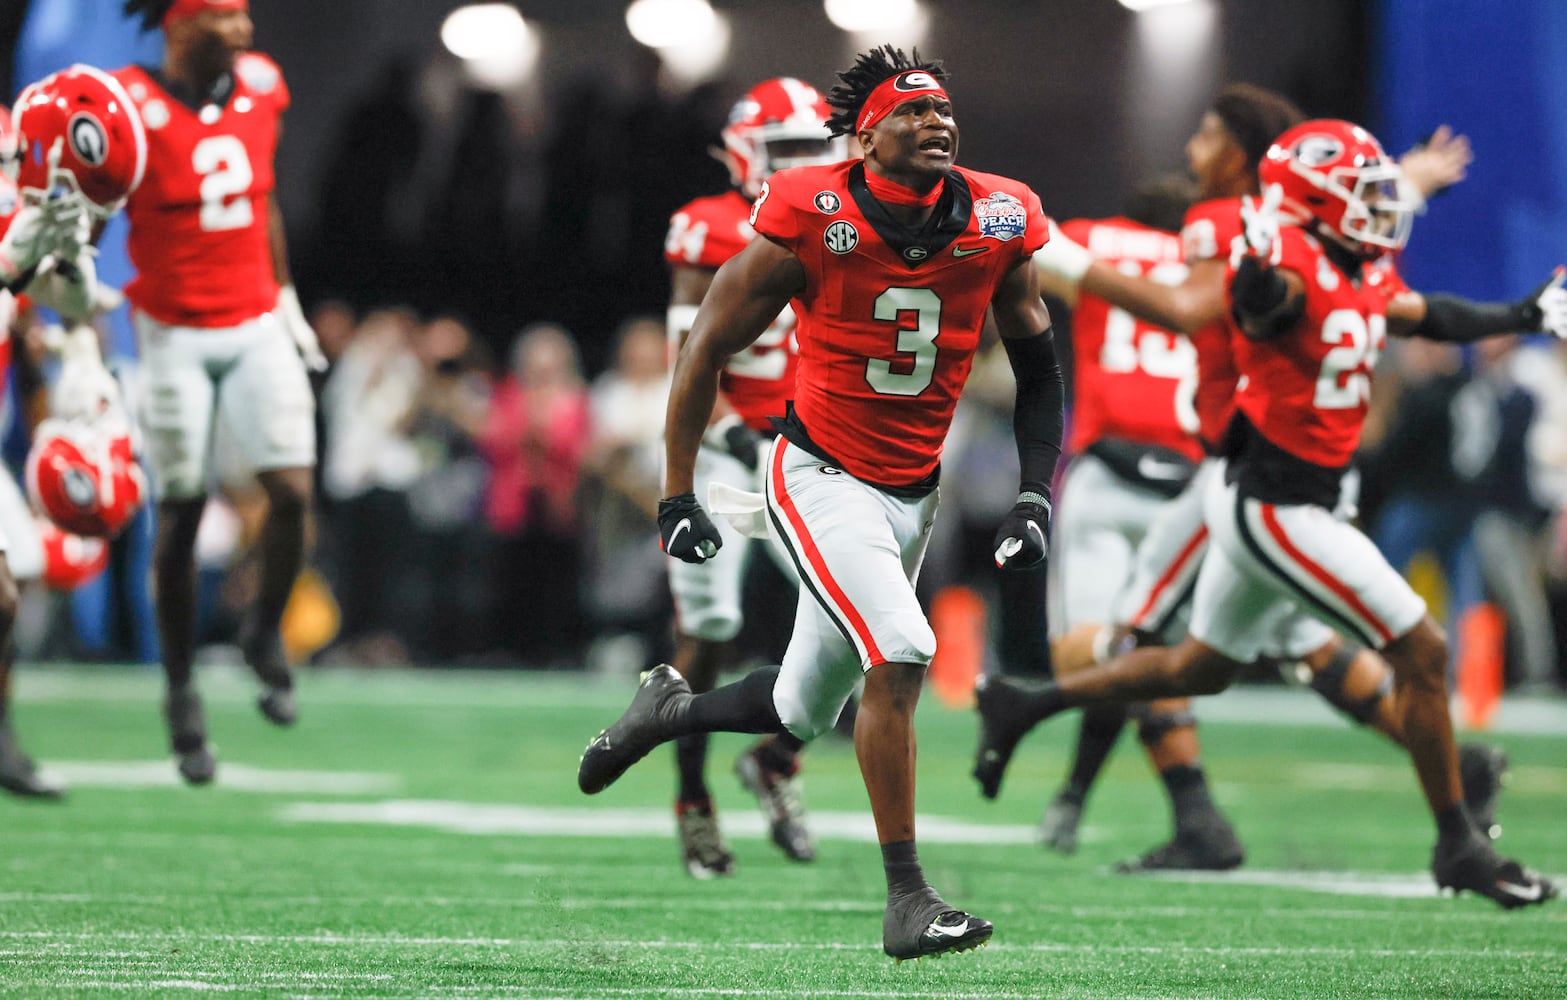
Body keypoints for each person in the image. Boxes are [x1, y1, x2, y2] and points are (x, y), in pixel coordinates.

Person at [981, 119, 1560, 908]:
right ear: (1317, 205)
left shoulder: (1348, 261)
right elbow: (1257, 303)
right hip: (1276, 505)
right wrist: (1251, 283)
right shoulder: (1284, 262)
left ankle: (1027, 704)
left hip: (1278, 494)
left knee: (1196, 668)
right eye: (1363, 196)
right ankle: (1456, 843)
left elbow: (1431, 314)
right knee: (1420, 652)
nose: (1379, 211)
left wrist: (1520, 314)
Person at [578, 44, 1063, 960]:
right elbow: (704, 348)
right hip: (817, 472)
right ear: (865, 133)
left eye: (942, 110)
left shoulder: (1000, 217)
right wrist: (676, 487)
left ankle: (664, 713)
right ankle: (908, 898)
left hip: (913, 492)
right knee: (905, 647)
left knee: (800, 705)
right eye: (911, 112)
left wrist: (1036, 492)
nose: (936, 123)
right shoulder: (812, 212)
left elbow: (1039, 370)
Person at [114, 0, 327, 784]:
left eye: (242, 16)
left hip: (254, 315)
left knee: (294, 491)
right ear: (176, 27)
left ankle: (261, 630)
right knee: (182, 507)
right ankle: (178, 687)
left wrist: (288, 293)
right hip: (170, 326)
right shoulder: (127, 108)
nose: (241, 32)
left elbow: (262, 197)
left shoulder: (262, 84)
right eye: (219, 18)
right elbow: (95, 207)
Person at [660, 76, 846, 878]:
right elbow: (689, 355)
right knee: (712, 632)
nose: (801, 163)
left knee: (849, 626)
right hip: (719, 441)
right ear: (741, 153)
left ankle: (774, 760)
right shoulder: (706, 228)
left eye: (812, 148)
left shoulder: (843, 220)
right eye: (787, 149)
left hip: (805, 446)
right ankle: (694, 799)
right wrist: (733, 433)